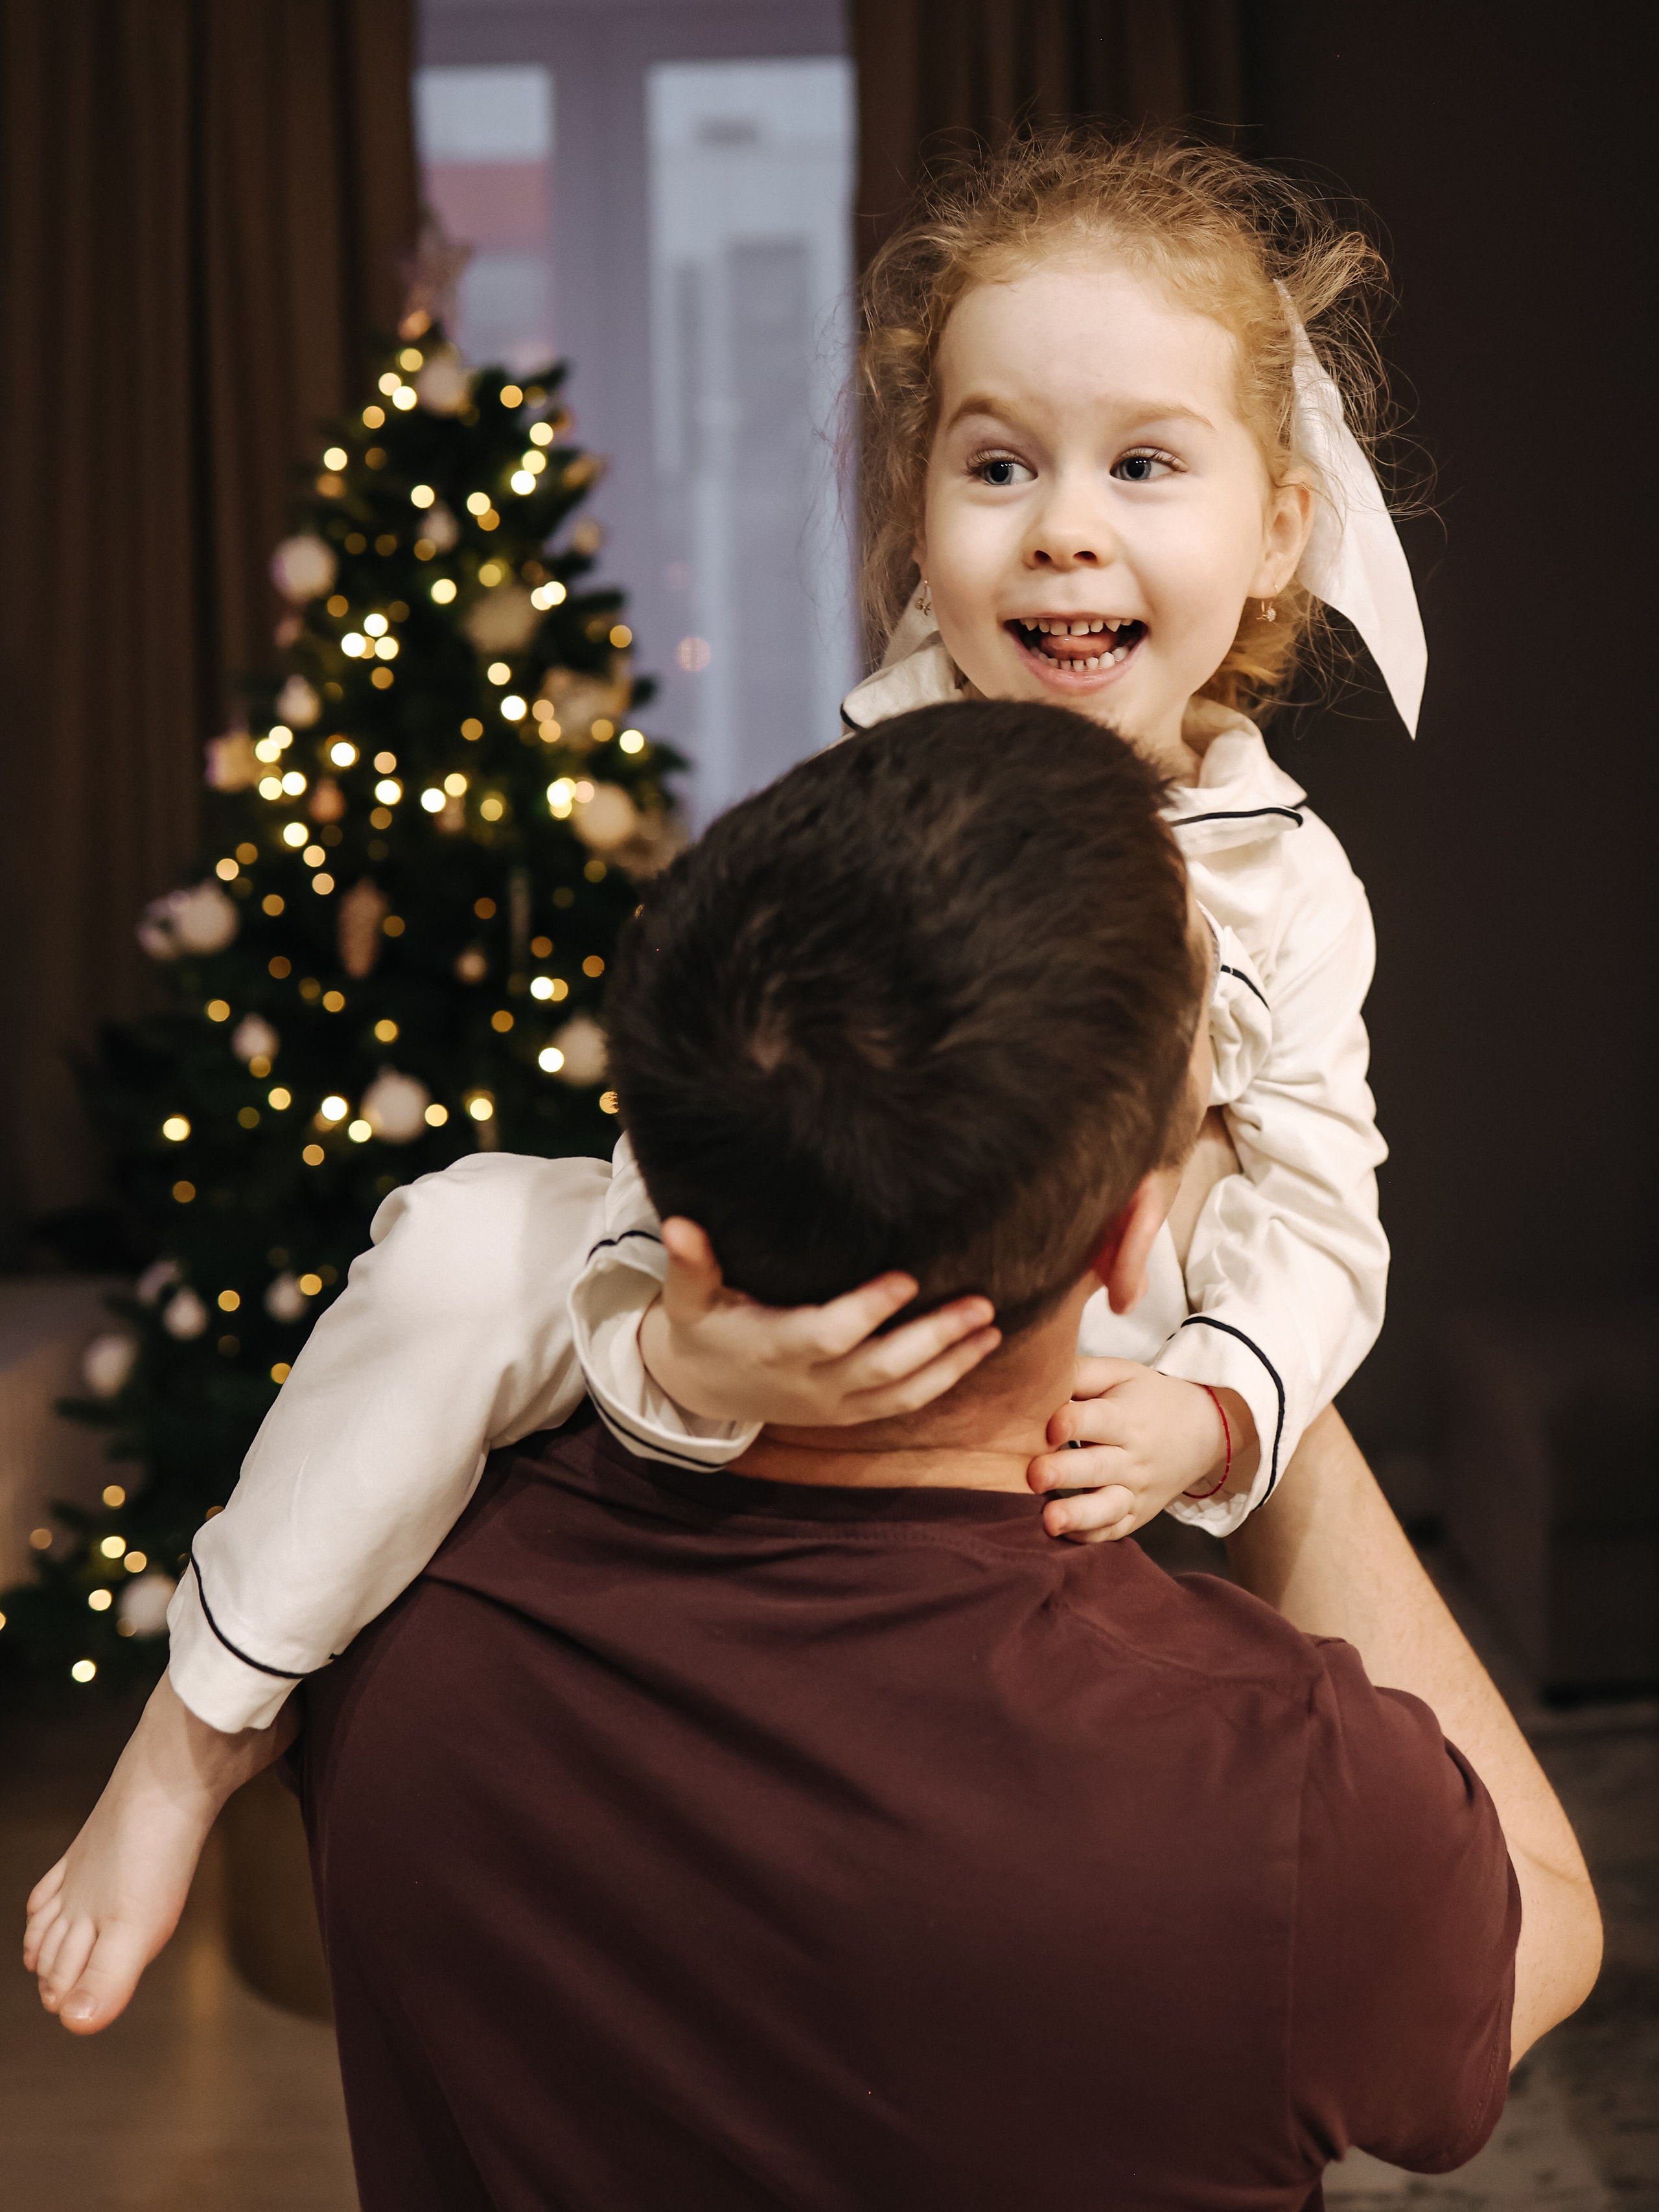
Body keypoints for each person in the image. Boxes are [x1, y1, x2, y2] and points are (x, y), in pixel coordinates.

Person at [31, 127, 1409, 2030]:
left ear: (1274, 529)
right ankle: (194, 1735)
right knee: (452, 1245)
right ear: (918, 517)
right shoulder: (845, 812)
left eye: (1143, 465)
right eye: (998, 464)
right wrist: (694, 1365)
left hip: (1102, 1355)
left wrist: (1219, 1405)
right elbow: (670, 1164)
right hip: (772, 1309)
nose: (1065, 527)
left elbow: (1329, 1208)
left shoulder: (1292, 886)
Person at [301, 703, 1597, 2209]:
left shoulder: (393, 1619)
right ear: (1128, 1238)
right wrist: (1258, 1363)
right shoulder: (1281, 1796)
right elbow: (1547, 1933)